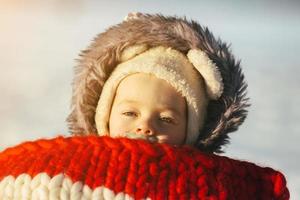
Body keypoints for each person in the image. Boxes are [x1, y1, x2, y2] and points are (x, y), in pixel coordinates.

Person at [66, 12, 248, 153]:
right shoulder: (74, 171)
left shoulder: (204, 183)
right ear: (104, 116)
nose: (145, 127)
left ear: (192, 131)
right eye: (129, 113)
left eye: (166, 119)